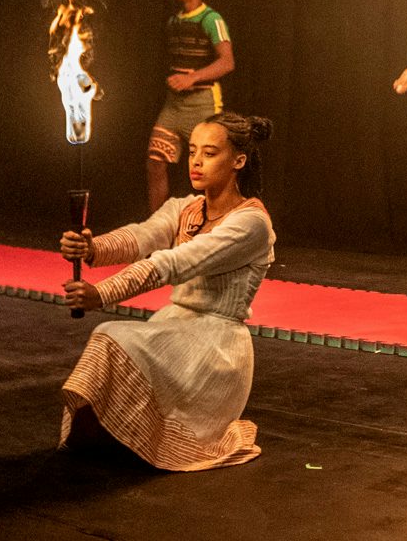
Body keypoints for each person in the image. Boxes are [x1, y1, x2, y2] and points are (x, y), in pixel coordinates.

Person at [59, 112, 276, 471]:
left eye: (210, 153)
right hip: (174, 327)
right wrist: (92, 248)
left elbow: (174, 262)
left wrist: (102, 294)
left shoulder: (251, 223)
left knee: (109, 335)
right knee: (109, 350)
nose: (196, 161)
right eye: (193, 151)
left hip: (215, 347)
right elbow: (141, 236)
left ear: (238, 161)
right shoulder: (184, 208)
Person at [147, 0, 235, 210]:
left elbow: (227, 63)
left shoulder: (211, 19)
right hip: (174, 106)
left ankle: (213, 226)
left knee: (209, 170)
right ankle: (157, 228)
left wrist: (191, 78)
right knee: (156, 161)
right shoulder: (174, 21)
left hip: (203, 105)